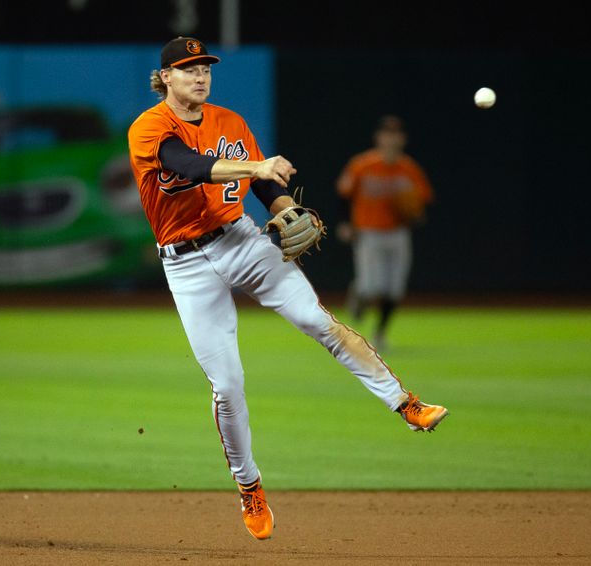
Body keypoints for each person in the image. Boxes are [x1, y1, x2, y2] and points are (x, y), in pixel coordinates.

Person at [127, 37, 448, 541]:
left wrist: (283, 209)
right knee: (227, 385)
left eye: (204, 67)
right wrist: (256, 167)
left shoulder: (230, 122)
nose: (200, 75)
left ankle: (406, 404)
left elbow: (266, 187)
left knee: (318, 321)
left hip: (240, 238)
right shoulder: (150, 126)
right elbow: (186, 166)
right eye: (187, 69)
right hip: (186, 265)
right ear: (165, 76)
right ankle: (250, 487)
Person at [336, 116, 433, 350]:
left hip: (398, 234)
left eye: (396, 134)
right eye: (387, 133)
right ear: (378, 137)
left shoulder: (408, 169)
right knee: (372, 288)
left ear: (402, 139)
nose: (391, 138)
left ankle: (379, 334)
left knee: (394, 289)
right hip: (368, 233)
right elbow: (343, 194)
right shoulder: (362, 165)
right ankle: (359, 291)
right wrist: (344, 223)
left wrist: (415, 213)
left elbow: (422, 202)